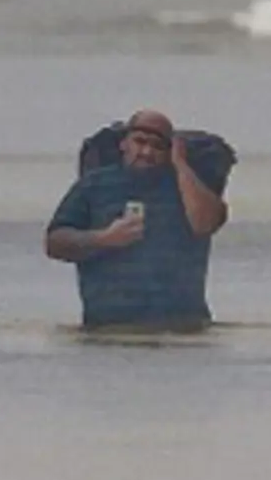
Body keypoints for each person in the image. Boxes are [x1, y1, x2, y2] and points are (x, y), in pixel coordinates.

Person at [45, 109, 233, 331]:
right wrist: (103, 238)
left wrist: (181, 164)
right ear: (124, 143)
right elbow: (54, 243)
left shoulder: (189, 186)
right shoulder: (93, 185)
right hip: (106, 328)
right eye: (140, 142)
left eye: (158, 146)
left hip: (183, 328)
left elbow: (205, 224)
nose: (146, 151)